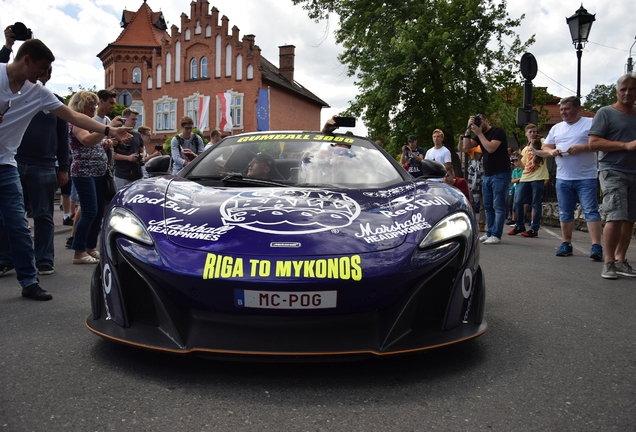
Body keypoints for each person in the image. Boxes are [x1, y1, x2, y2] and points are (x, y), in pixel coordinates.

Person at [0, 39, 132, 300]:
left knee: (17, 223)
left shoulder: (37, 92)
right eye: (42, 68)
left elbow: (73, 117)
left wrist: (109, 129)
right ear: (26, 60)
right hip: (30, 163)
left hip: (5, 164)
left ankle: (28, 281)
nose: (44, 75)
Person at [533, 96, 602, 260]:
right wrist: (552, 152)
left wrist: (582, 147)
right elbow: (544, 149)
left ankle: (596, 246)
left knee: (591, 211)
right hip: (563, 178)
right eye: (562, 110)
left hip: (587, 177)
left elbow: (599, 143)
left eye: (567, 109)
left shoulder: (590, 123)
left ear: (578, 109)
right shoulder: (557, 128)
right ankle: (566, 243)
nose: (563, 112)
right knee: (565, 212)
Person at [588, 73, 636, 279]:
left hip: (634, 171)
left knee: (630, 219)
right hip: (612, 170)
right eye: (623, 89)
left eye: (632, 89)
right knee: (616, 215)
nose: (627, 93)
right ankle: (608, 263)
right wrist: (625, 145)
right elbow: (593, 143)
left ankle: (620, 260)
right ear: (616, 92)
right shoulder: (605, 113)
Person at [68, 91, 118, 265]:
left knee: (97, 213)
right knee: (89, 211)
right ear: (81, 105)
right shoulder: (76, 122)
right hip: (83, 172)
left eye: (95, 104)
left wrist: (104, 144)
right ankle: (79, 251)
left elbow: (93, 144)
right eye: (91, 104)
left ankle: (90, 247)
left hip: (98, 172)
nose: (94, 108)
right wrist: (108, 129)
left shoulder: (90, 122)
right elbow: (87, 141)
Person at [460, 114, 510, 244]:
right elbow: (466, 146)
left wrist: (480, 133)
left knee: (498, 205)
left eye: (479, 121)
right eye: (475, 121)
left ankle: (496, 235)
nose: (477, 124)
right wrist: (468, 129)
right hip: (487, 174)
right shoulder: (478, 134)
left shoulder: (497, 132)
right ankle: (489, 232)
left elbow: (491, 148)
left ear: (486, 120)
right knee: (488, 205)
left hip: (500, 173)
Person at [509, 134, 550, 238]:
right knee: (518, 201)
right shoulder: (525, 149)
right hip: (525, 177)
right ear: (526, 133)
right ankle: (520, 225)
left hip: (538, 177)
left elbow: (546, 153)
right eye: (530, 131)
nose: (532, 133)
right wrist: (518, 160)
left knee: (536, 204)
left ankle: (534, 228)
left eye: (534, 131)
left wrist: (534, 149)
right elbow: (524, 165)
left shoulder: (542, 141)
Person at [113, 108, 143, 188]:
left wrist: (140, 157)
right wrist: (127, 158)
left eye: (136, 119)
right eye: (133, 119)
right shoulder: (116, 133)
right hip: (122, 174)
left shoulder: (137, 135)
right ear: (125, 118)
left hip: (137, 174)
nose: (135, 121)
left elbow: (141, 151)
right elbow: (112, 154)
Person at [506, 154, 522, 225]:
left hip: (521, 189)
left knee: (519, 204)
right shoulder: (515, 170)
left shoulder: (523, 169)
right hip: (515, 189)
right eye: (514, 161)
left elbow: (523, 179)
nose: (515, 163)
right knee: (513, 204)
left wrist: (516, 179)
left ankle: (519, 219)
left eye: (516, 161)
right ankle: (513, 219)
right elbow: (512, 180)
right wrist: (518, 179)